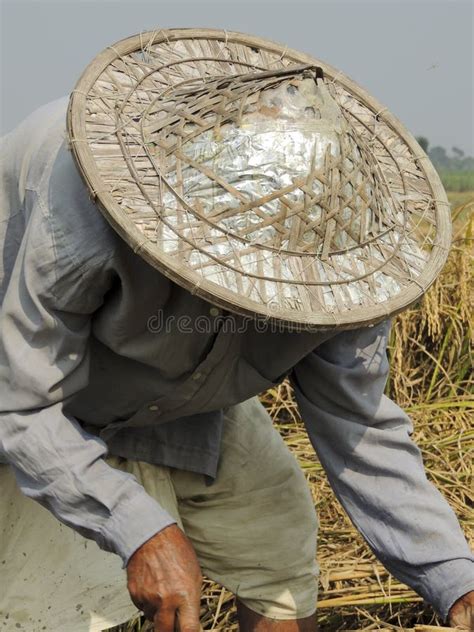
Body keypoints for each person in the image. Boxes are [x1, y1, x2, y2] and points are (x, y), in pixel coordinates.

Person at [1, 29, 473, 632]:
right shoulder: (81, 215)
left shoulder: (346, 260)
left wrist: (456, 580)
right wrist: (139, 526)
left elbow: (359, 425)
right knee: (63, 604)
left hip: (185, 402)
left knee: (275, 542)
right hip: (37, 396)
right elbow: (22, 406)